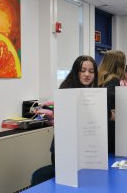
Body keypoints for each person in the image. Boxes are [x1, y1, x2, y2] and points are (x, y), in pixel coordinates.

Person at [31, 55, 99, 186]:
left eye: (91, 71)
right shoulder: (67, 89)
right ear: (75, 71)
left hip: (86, 147)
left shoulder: (94, 92)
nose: (87, 74)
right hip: (65, 148)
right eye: (82, 70)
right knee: (67, 183)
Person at [98, 50, 126, 153]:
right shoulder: (114, 80)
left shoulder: (99, 77)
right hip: (109, 127)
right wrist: (111, 114)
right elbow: (107, 101)